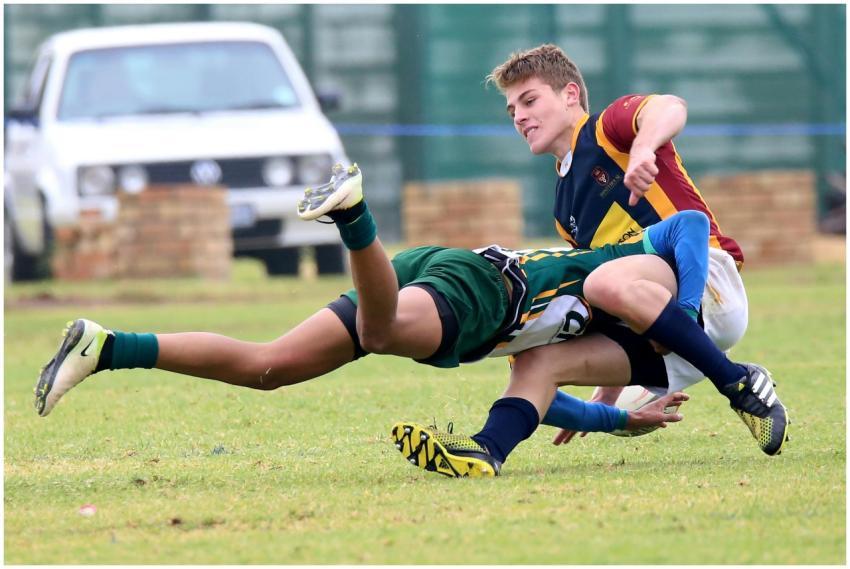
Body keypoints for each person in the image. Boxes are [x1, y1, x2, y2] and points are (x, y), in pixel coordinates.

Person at [34, 164, 704, 472]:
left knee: (269, 366)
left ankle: (107, 345)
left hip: (439, 274)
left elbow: (535, 401)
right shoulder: (622, 282)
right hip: (481, 289)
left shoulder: (578, 345)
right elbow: (689, 227)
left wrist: (619, 417)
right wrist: (700, 333)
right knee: (381, 333)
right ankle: (353, 216)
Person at [395, 44, 790, 478]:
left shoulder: (608, 129)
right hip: (671, 336)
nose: (519, 117)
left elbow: (671, 107)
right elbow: (614, 304)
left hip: (708, 288)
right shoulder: (563, 207)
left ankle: (738, 386)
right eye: (511, 110)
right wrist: (607, 401)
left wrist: (642, 149)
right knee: (534, 361)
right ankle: (486, 450)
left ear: (569, 95)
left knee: (599, 282)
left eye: (529, 101)